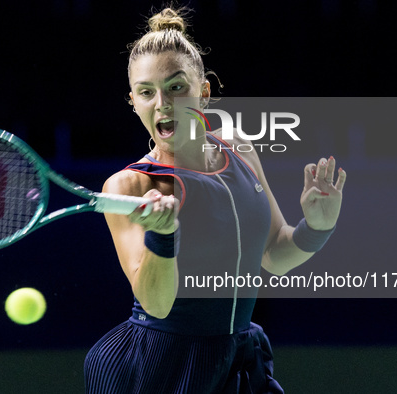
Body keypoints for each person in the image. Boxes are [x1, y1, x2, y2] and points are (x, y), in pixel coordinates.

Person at [84, 6, 346, 393]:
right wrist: (162, 236)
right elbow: (155, 303)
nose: (162, 103)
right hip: (163, 366)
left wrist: (318, 227)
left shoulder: (239, 149)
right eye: (146, 93)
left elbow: (274, 255)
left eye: (176, 87)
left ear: (203, 92)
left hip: (237, 358)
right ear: (133, 102)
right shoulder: (129, 186)